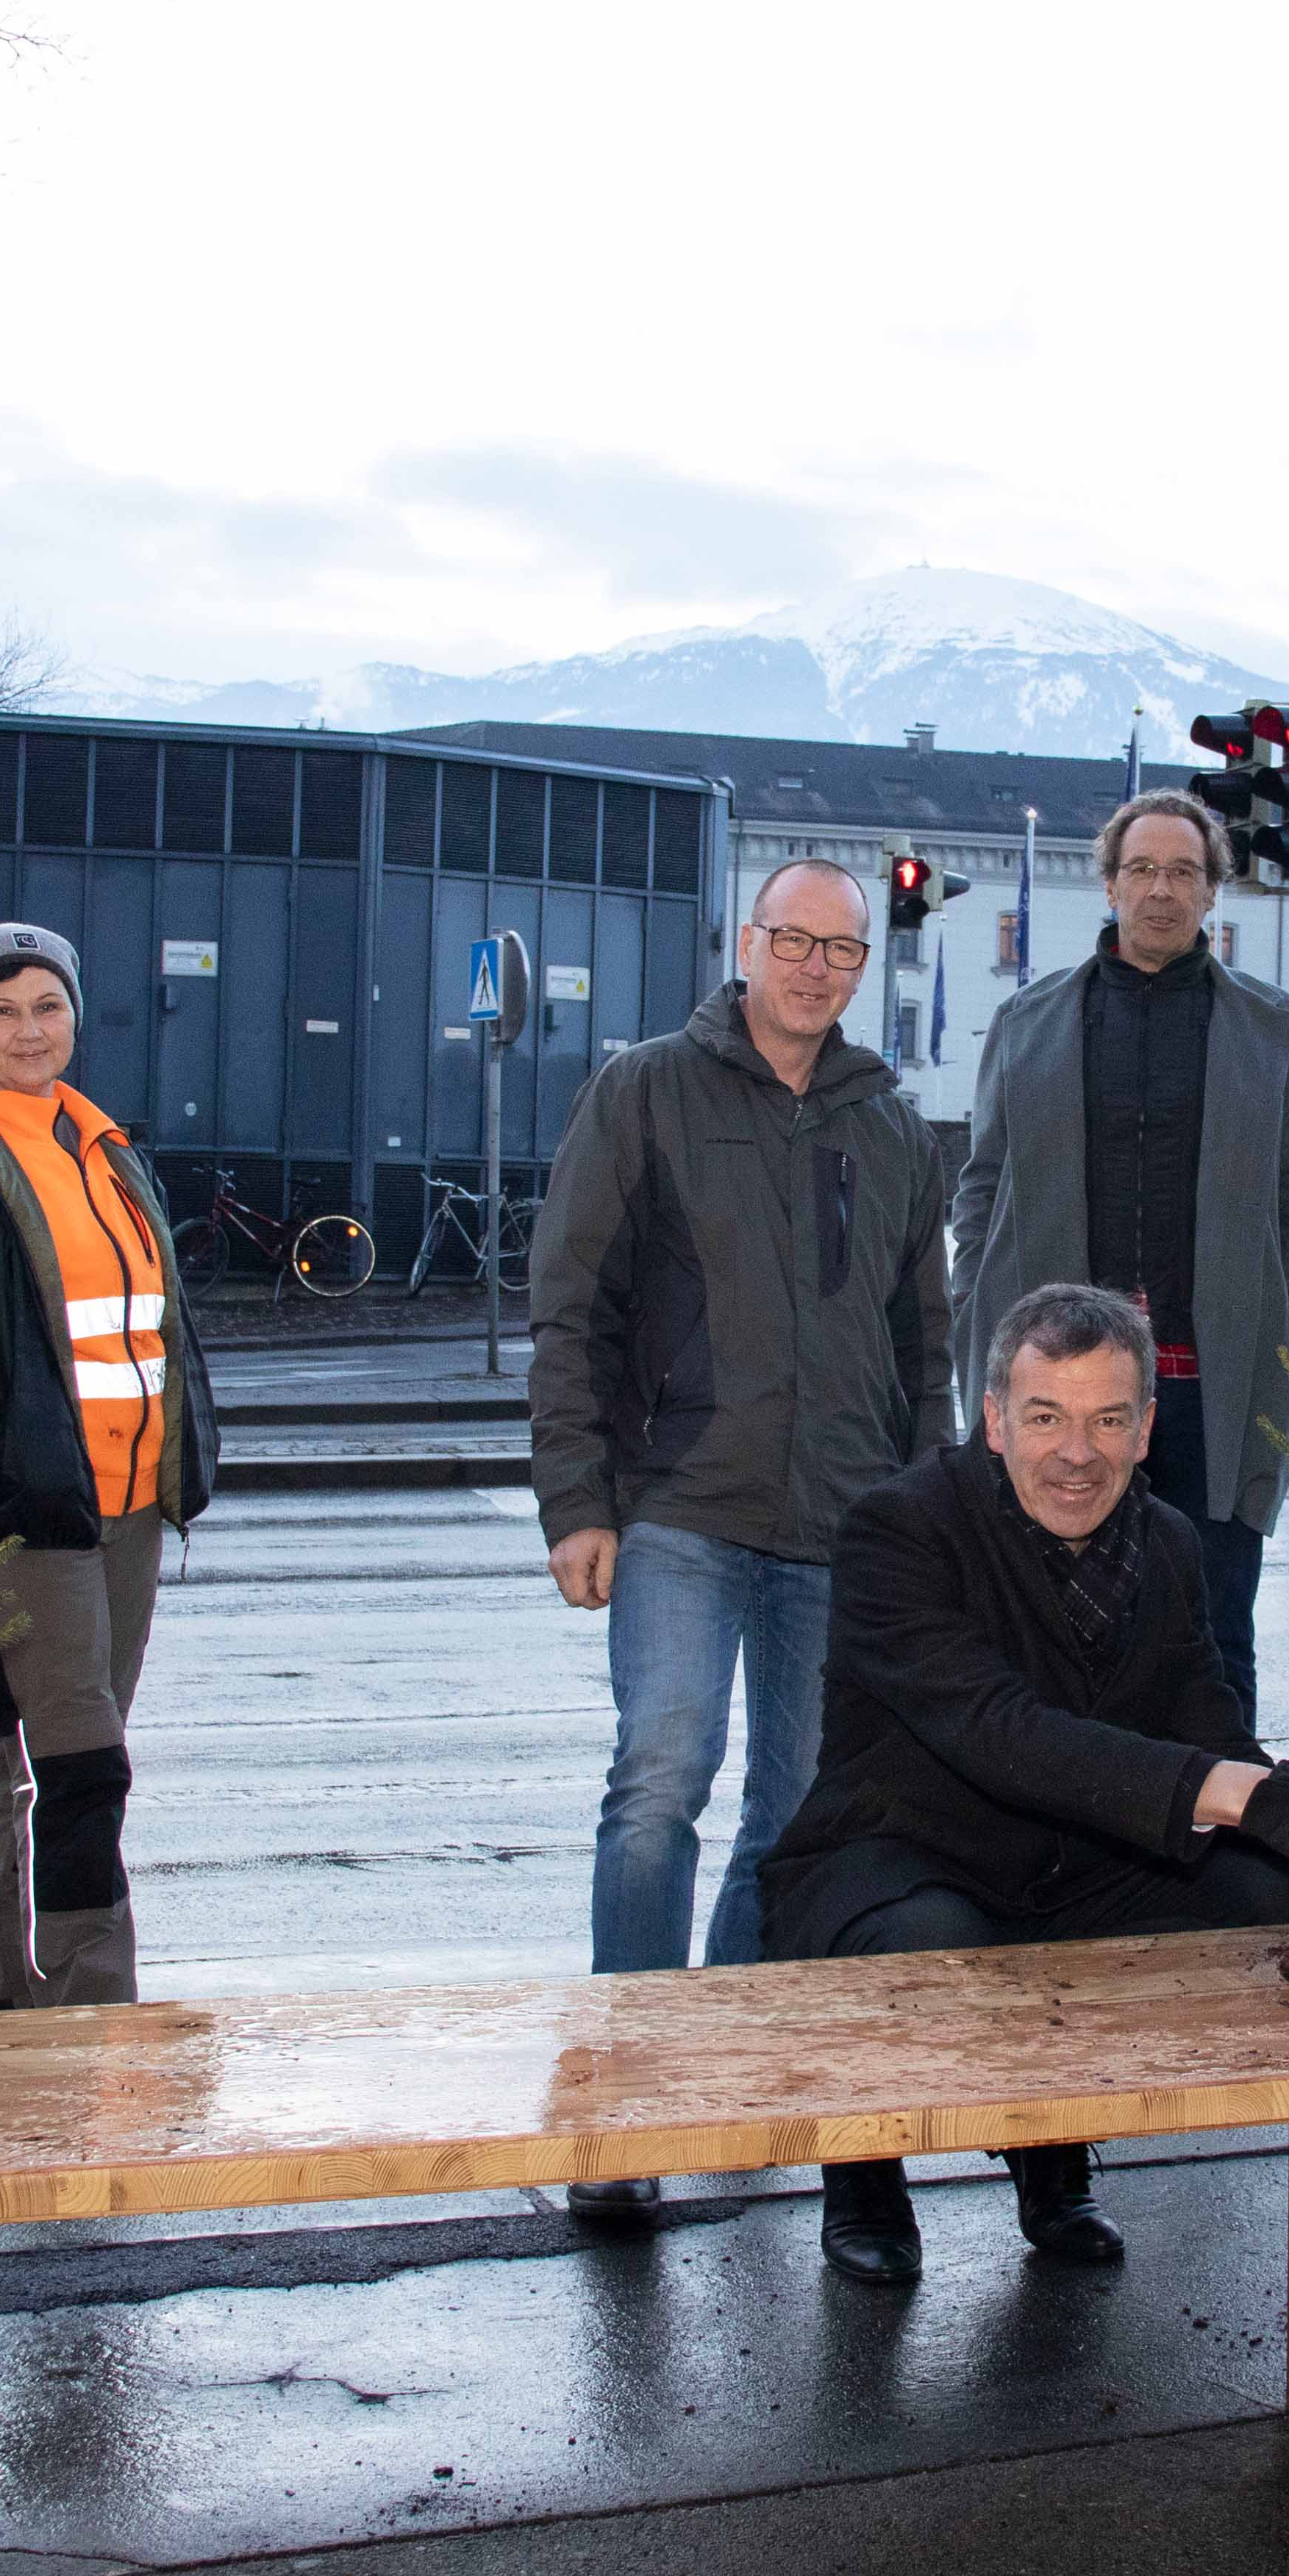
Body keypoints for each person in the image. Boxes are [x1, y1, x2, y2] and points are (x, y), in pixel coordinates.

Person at [760, 1282, 1289, 2284]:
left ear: (1146, 1429)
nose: (1077, 1453)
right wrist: (1231, 1792)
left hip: (1078, 1860)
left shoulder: (1167, 1543)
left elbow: (1209, 1732)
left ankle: (1054, 2144)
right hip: (901, 1853)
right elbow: (998, 1730)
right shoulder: (898, 1529)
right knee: (933, 1939)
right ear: (994, 1420)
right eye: (1046, 1419)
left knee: (1263, 1894)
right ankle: (862, 2170)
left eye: (1107, 1420)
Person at [528, 857, 954, 2219]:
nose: (817, 967)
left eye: (843, 949)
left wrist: (928, 1522)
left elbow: (923, 1347)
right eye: (795, 939)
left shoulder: (892, 1125)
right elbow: (572, 1306)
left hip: (844, 1522)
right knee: (660, 1784)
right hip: (682, 1505)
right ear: (747, 941)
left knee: (796, 1813)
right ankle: (622, 2113)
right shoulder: (647, 1089)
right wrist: (576, 1500)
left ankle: (715, 2059)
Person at [0, 923, 219, 2011]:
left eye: (48, 1005)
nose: (30, 1029)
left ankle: (5, 1997)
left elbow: (154, 1320)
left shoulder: (105, 1147)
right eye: (4, 1010)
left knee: (36, 1757)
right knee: (78, 1767)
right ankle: (87, 2004)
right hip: (24, 1510)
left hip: (129, 1504)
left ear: (74, 1016)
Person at [951, 792, 1289, 1715]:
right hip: (1060, 1387)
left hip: (1211, 1385)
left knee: (1210, 1637)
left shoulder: (1274, 1030)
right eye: (1142, 870)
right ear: (1110, 884)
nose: (1161, 890)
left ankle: (1217, 1805)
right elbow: (982, 1181)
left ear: (1212, 891)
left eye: (1183, 872)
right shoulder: (1030, 1021)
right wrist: (975, 1305)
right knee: (1042, 1635)